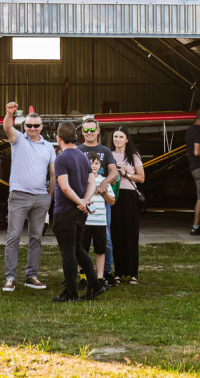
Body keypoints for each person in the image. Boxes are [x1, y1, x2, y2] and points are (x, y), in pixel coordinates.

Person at [1, 101, 57, 293]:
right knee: (13, 237)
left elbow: (53, 174)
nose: (32, 128)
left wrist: (49, 197)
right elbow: (7, 127)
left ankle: (31, 275)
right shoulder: (18, 140)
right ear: (24, 127)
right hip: (19, 196)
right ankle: (10, 277)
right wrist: (9, 114)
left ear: (41, 127)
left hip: (41, 198)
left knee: (36, 238)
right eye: (29, 125)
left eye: (36, 126)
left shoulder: (49, 147)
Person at [51, 122, 105, 303]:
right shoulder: (83, 157)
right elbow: (92, 182)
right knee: (78, 249)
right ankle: (95, 284)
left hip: (65, 211)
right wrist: (85, 200)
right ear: (76, 137)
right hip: (81, 212)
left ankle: (71, 293)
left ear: (58, 138)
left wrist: (80, 201)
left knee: (68, 252)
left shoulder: (61, 158)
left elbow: (64, 188)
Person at [78, 114, 119, 285]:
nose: (89, 132)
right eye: (86, 130)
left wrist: (104, 183)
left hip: (102, 201)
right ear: (82, 131)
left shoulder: (105, 151)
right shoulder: (78, 150)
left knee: (106, 238)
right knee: (81, 240)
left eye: (92, 130)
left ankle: (106, 273)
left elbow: (114, 171)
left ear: (98, 131)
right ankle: (83, 275)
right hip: (84, 201)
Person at [110, 127, 145, 285]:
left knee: (130, 233)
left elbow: (142, 178)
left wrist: (126, 174)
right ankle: (118, 272)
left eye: (120, 137)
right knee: (116, 233)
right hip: (114, 195)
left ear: (126, 139)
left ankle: (133, 273)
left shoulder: (133, 156)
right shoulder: (109, 155)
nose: (117, 139)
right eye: (115, 136)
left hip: (129, 196)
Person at [81, 151, 116, 286]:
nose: (93, 166)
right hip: (85, 221)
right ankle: (83, 276)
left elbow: (112, 202)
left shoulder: (103, 181)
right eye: (90, 164)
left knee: (100, 250)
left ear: (100, 165)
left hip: (100, 221)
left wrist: (104, 192)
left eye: (96, 163)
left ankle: (100, 278)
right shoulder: (82, 180)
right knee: (82, 249)